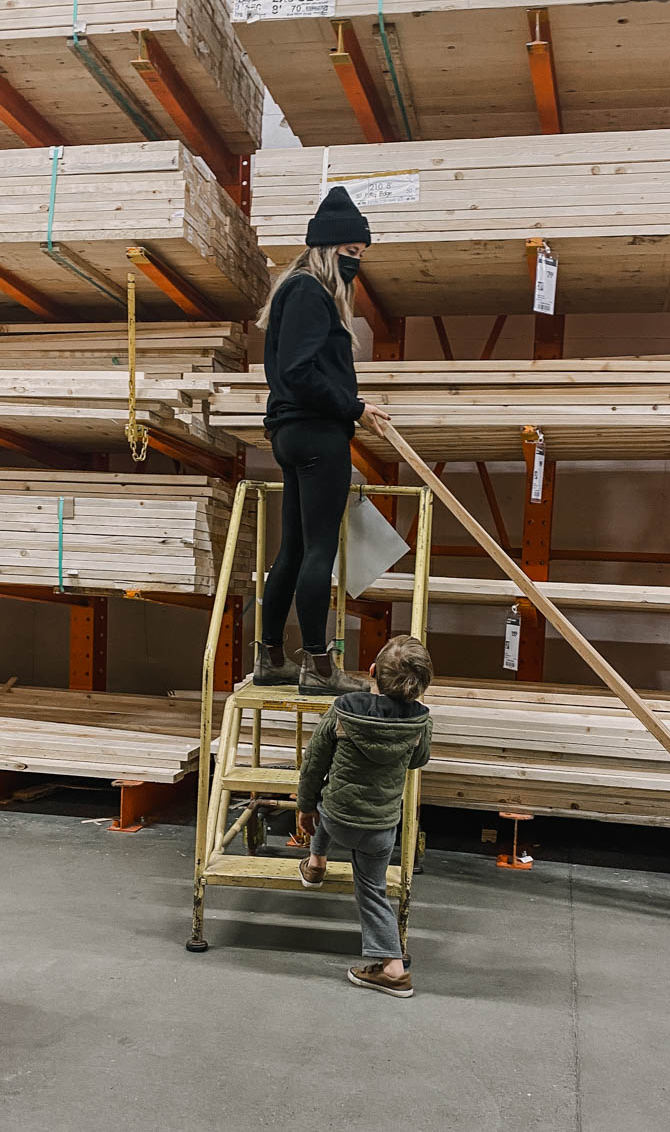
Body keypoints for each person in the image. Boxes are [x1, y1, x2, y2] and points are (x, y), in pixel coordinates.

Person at [252, 185, 392, 695]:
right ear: (329, 248)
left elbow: (292, 372)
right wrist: (355, 407)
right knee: (318, 552)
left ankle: (270, 658)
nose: (356, 263)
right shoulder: (311, 291)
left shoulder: (294, 289)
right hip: (316, 435)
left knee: (292, 549)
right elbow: (300, 372)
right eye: (351, 253)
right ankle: (319, 664)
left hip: (291, 433)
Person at [295, 635, 434, 998]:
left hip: (335, 819)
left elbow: (314, 764)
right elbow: (419, 761)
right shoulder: (420, 723)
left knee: (331, 799)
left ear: (372, 672)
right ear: (422, 685)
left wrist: (305, 807)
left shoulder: (343, 709)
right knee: (372, 892)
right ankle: (392, 968)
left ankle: (315, 863)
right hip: (379, 829)